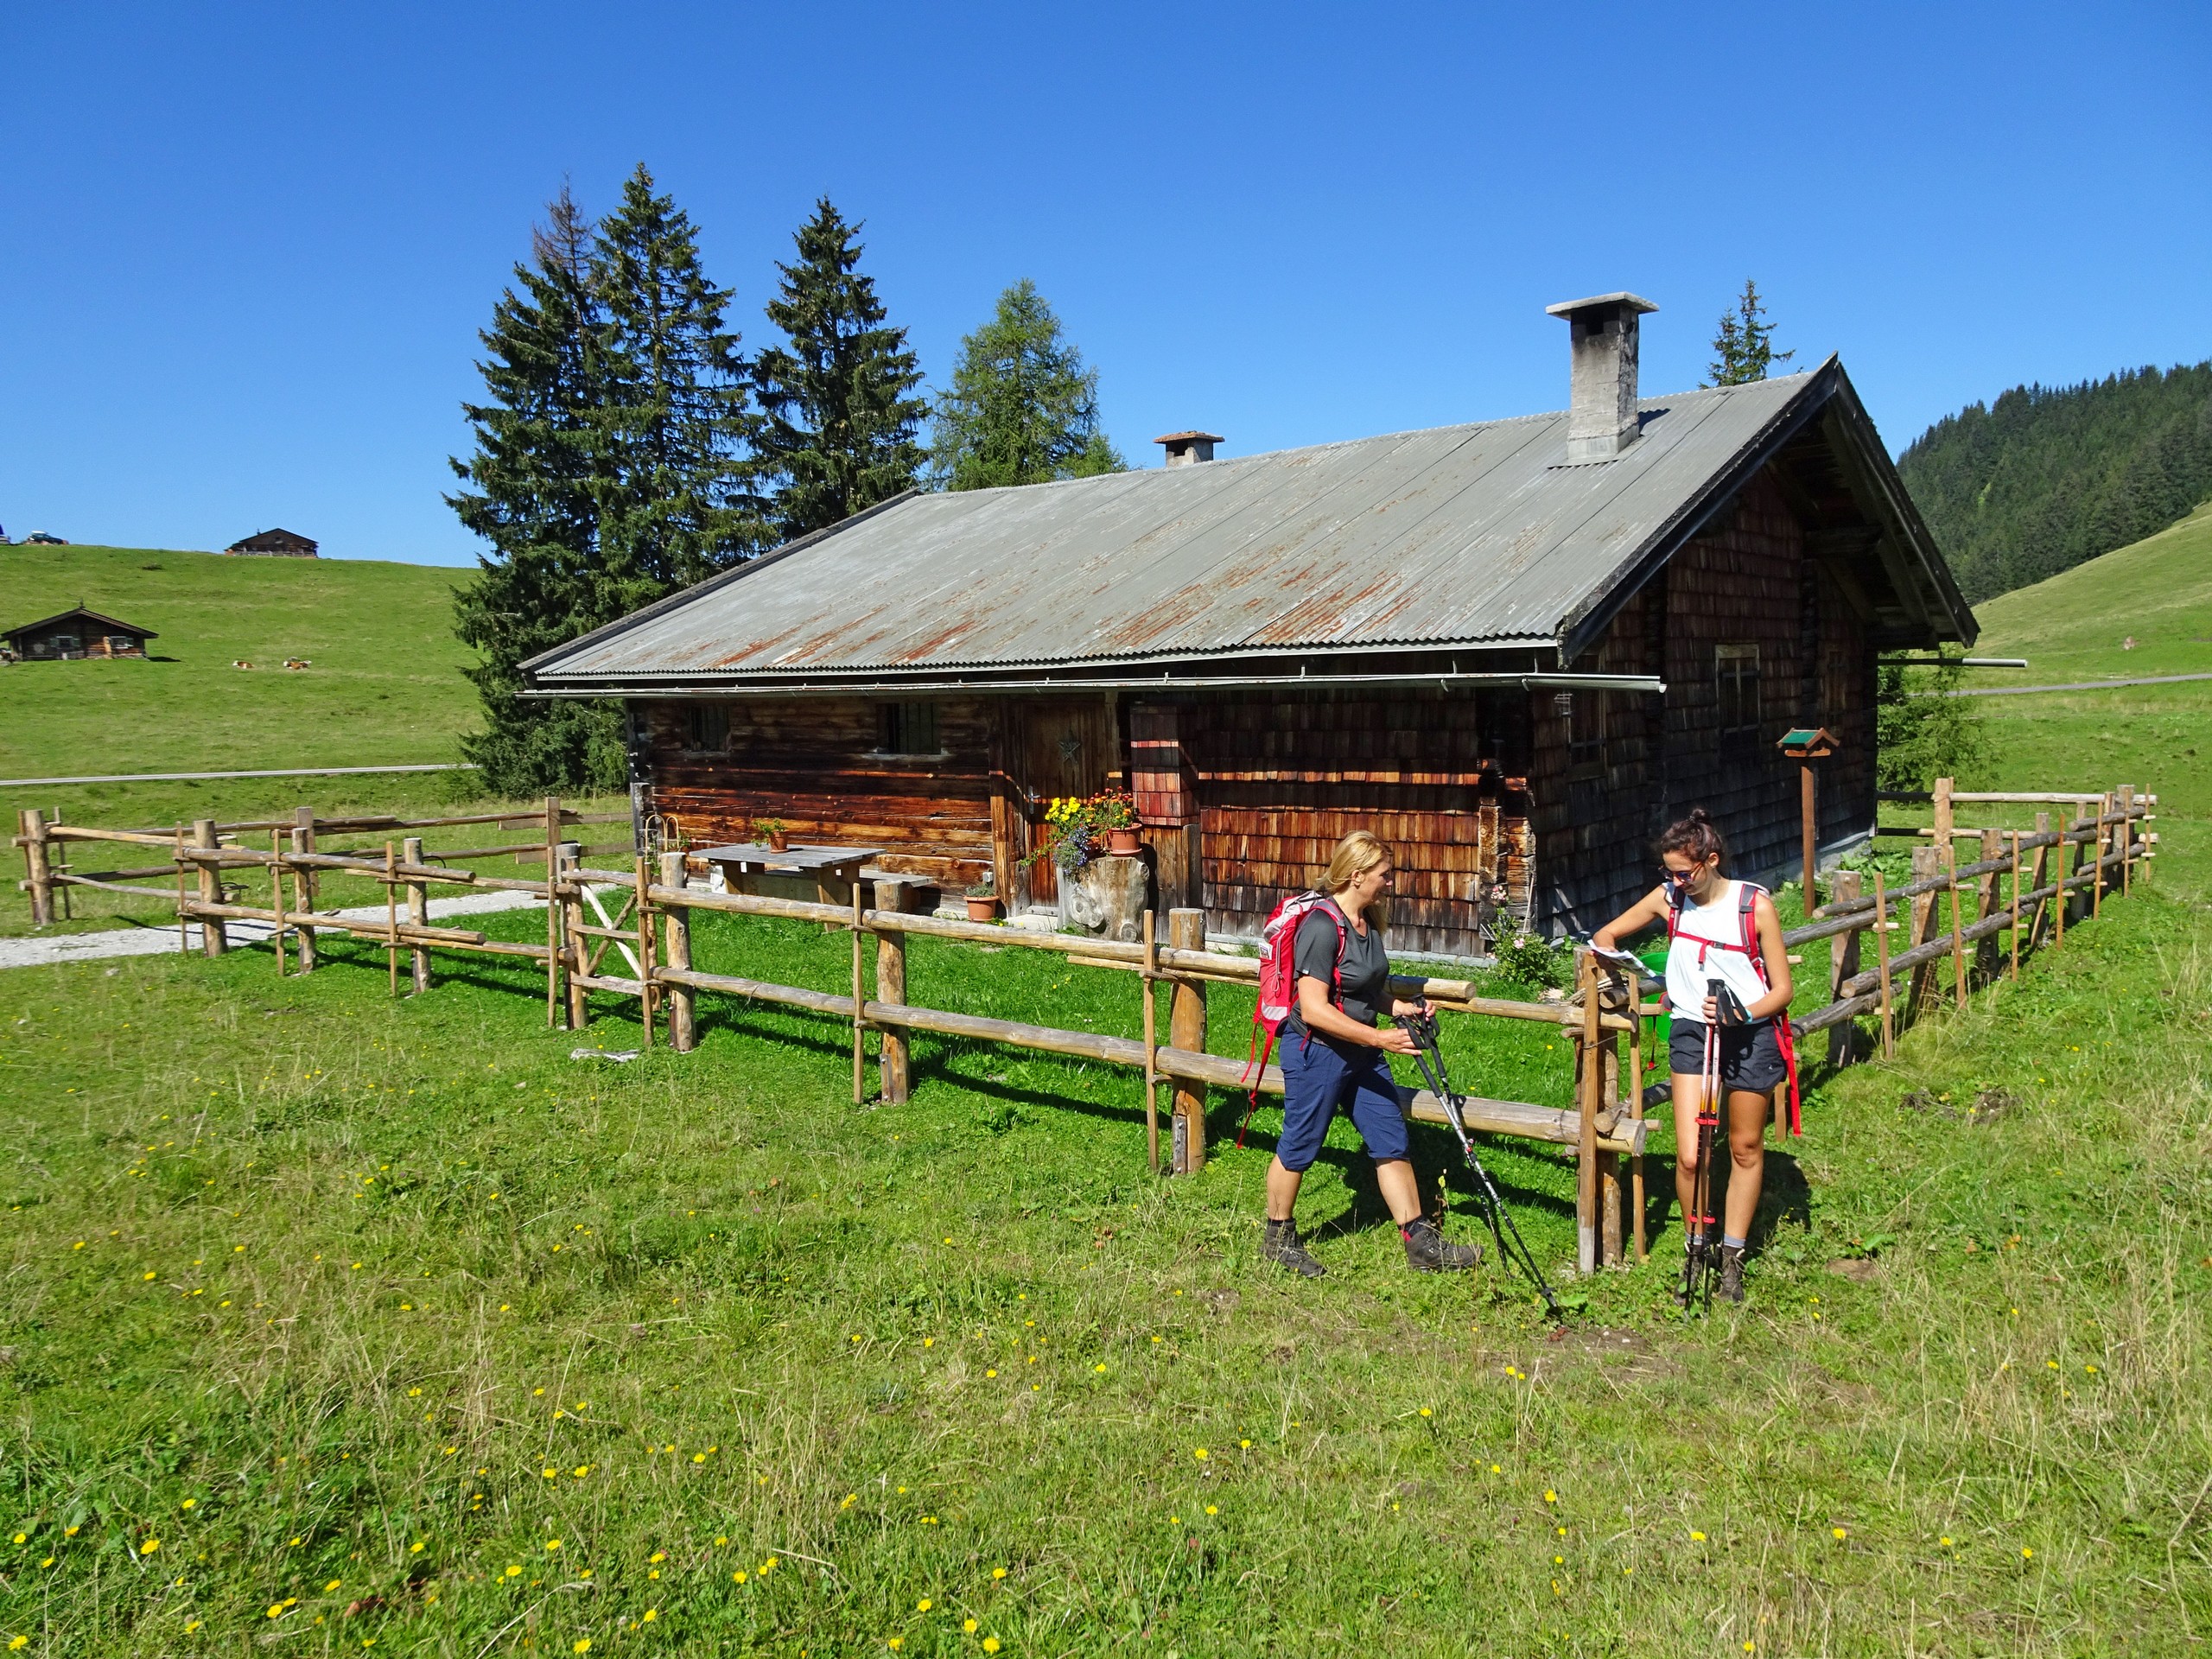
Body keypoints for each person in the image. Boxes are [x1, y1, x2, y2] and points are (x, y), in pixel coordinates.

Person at [1260, 831, 1482, 1279]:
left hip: (1361, 1052)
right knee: (1300, 1144)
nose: (1389, 883)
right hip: (1317, 1052)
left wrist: (1399, 1008)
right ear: (1356, 875)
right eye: (1384, 875)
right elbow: (1315, 1008)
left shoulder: (1365, 921)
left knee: (1390, 1139)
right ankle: (1278, 1237)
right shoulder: (1322, 927)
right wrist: (1379, 1039)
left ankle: (1421, 1243)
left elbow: (1364, 988)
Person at [1592, 808, 1792, 1303]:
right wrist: (1628, 971)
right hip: (1691, 1032)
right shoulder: (1669, 899)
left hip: (1749, 1033)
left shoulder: (1754, 905)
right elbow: (1606, 935)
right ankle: (1695, 1246)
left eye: (1685, 872)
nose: (1676, 881)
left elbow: (1782, 990)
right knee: (1691, 1153)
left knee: (1744, 1147)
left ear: (1711, 861)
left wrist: (1741, 1012)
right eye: (1670, 873)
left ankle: (1732, 1256)